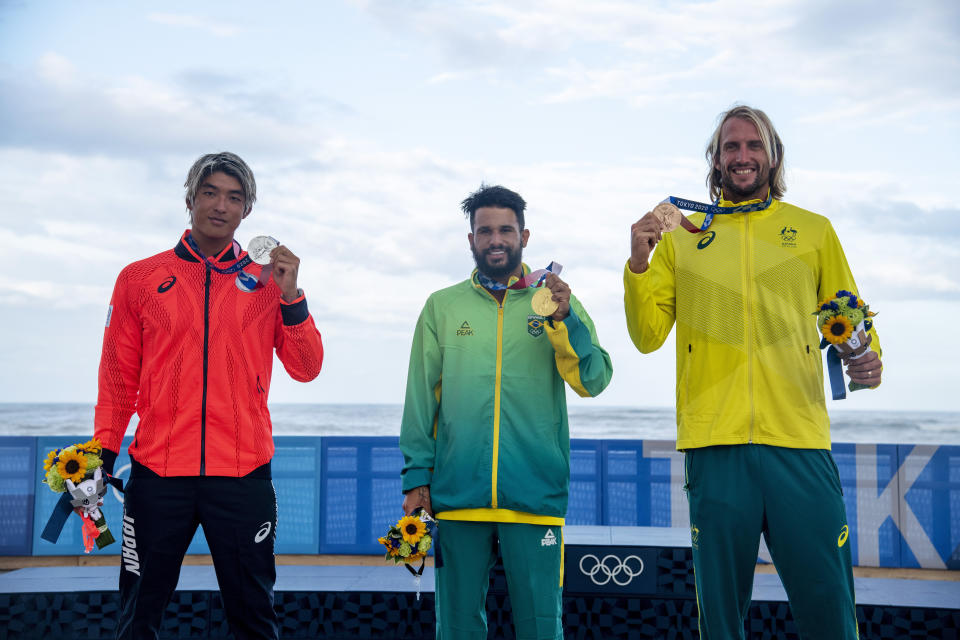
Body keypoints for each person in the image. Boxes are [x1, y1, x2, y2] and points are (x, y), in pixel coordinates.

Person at [624, 105, 882, 639]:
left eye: (752, 145)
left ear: (772, 155)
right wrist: (638, 266)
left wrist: (865, 360)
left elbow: (848, 311)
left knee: (829, 605)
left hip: (799, 441)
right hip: (714, 445)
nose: (741, 156)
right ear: (715, 162)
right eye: (730, 147)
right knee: (721, 618)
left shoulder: (812, 230)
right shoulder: (681, 236)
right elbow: (646, 336)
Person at [94, 152, 324, 640]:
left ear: (247, 210)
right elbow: (117, 378)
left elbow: (306, 369)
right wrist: (102, 454)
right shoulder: (139, 278)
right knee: (137, 618)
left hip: (242, 474)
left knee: (255, 619)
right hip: (157, 473)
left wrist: (292, 296)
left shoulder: (267, 282)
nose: (221, 205)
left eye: (234, 197)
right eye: (210, 192)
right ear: (189, 198)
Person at [400, 184, 613, 639]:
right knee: (457, 627)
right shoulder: (442, 305)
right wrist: (416, 477)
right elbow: (421, 396)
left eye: (506, 230)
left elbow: (593, 379)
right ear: (471, 240)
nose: (496, 239)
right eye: (485, 231)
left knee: (540, 627)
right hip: (458, 495)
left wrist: (563, 319)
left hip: (535, 495)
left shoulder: (556, 300)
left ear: (525, 235)